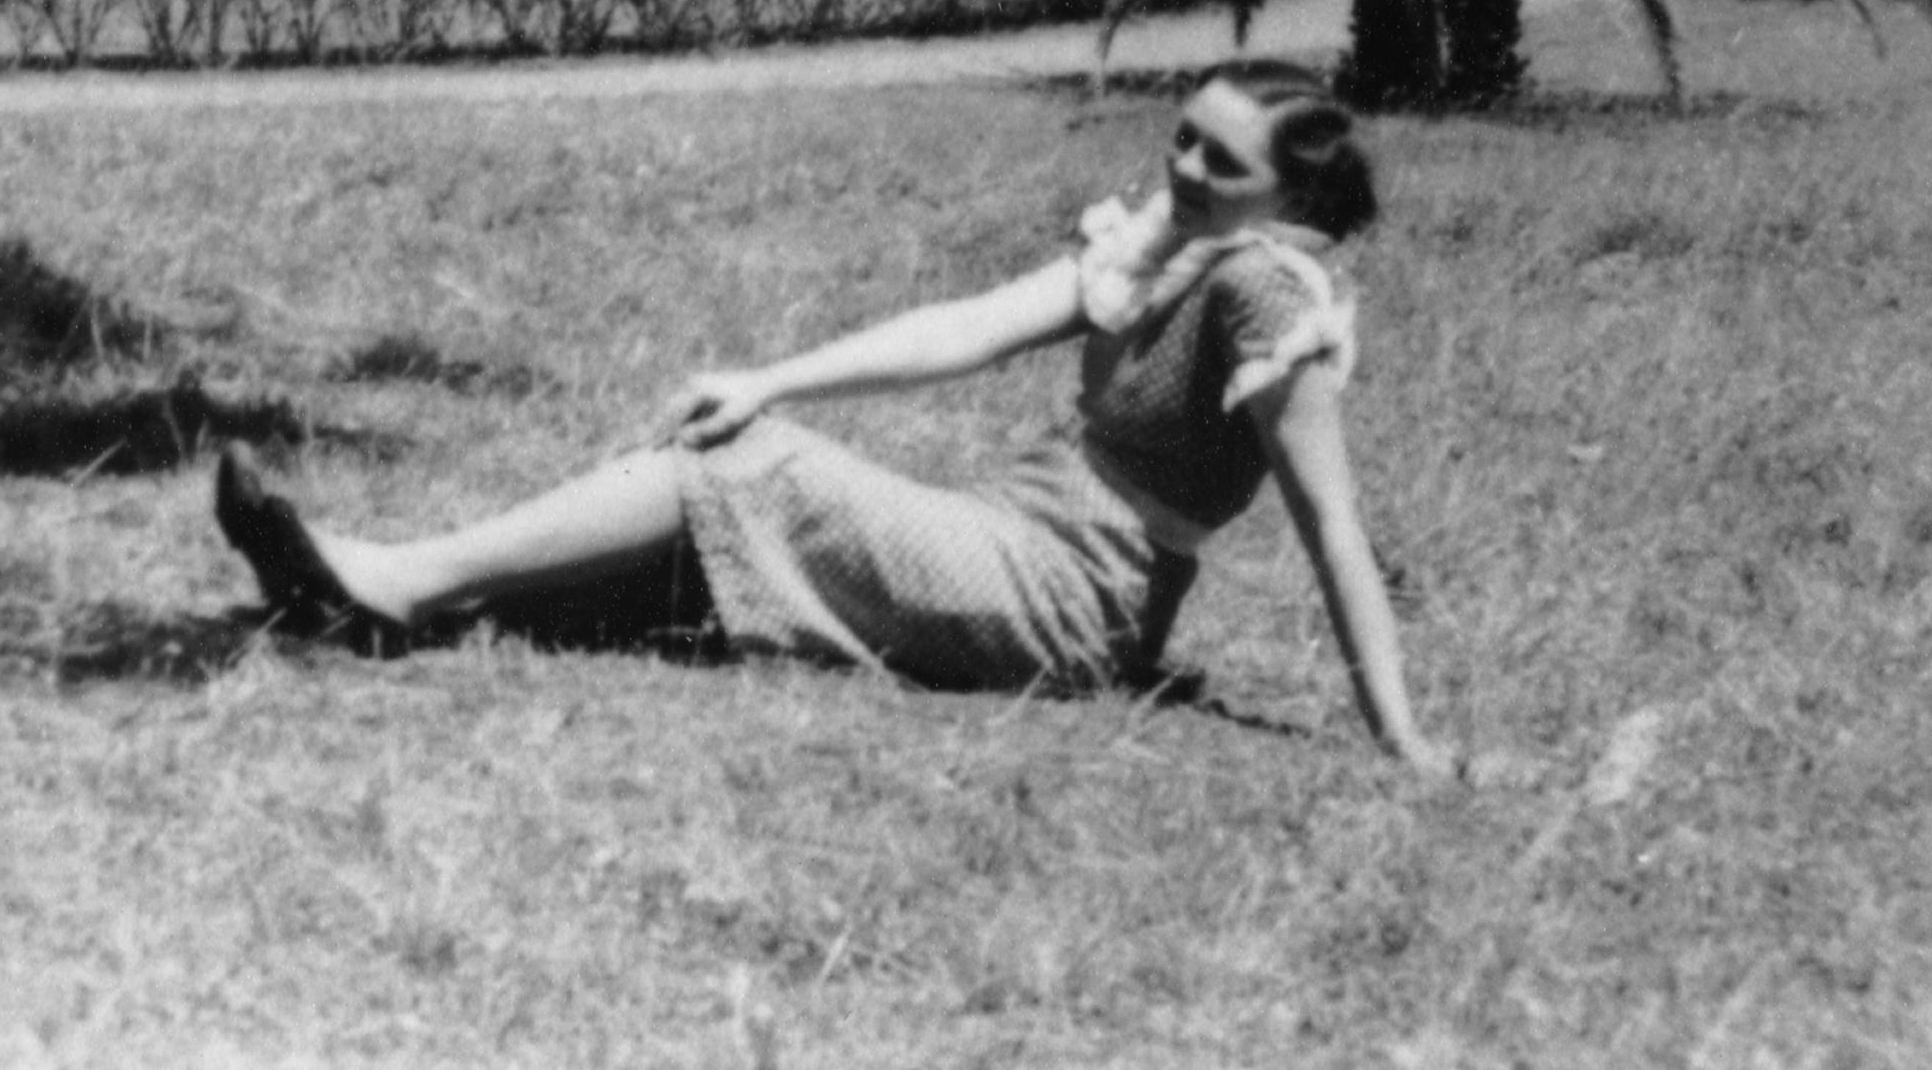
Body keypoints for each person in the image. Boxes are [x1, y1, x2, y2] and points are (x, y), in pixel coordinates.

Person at [209, 62, 1445, 770]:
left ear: (1291, 191)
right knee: (728, 456)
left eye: (1222, 164)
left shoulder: (1270, 294)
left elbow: (1332, 524)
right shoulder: (1165, 244)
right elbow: (961, 326)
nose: (1185, 168)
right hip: (1016, 529)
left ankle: (397, 583)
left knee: (763, 471)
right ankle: (398, 597)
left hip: (1080, 598)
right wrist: (773, 372)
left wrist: (1400, 738)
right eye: (1184, 136)